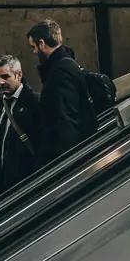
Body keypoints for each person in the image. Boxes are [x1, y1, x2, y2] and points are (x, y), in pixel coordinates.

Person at [27, 20, 96, 167]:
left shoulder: (61, 72)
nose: (33, 52)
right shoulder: (66, 64)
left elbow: (67, 119)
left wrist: (66, 164)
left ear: (42, 43)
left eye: (33, 47)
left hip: (65, 159)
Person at [0, 55, 40, 195]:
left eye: (5, 77)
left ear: (18, 75)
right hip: (1, 184)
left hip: (27, 181)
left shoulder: (35, 102)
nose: (1, 82)